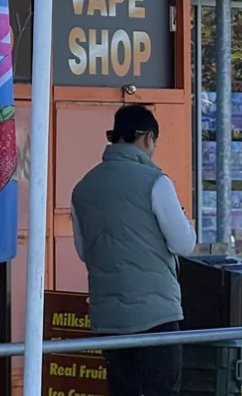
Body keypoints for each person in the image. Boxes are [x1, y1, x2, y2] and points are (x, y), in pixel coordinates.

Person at [71, 104, 197, 396]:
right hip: (155, 314)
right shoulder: (155, 182)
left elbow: (83, 251)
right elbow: (183, 244)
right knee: (161, 390)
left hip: (108, 317)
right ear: (147, 138)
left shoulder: (83, 188)